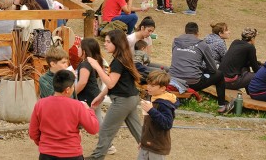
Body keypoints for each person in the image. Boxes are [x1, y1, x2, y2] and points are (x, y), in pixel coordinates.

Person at [86, 29, 143, 159]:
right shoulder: (123, 57)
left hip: (123, 101)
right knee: (138, 131)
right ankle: (152, 152)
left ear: (116, 43)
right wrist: (100, 97)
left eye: (108, 42)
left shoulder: (118, 61)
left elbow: (111, 83)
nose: (105, 44)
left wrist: (97, 67)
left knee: (106, 129)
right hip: (132, 98)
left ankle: (97, 157)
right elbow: (114, 82)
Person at [30, 70, 99, 160]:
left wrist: (44, 144)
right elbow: (93, 129)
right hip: (72, 154)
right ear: (67, 90)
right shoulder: (77, 105)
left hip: (46, 154)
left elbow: (33, 133)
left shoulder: (40, 104)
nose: (73, 89)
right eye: (73, 86)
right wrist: (89, 110)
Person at [169, 22, 233, 114]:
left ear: (185, 31)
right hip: (193, 82)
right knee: (219, 75)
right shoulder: (201, 44)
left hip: (173, 79)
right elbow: (213, 69)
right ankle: (222, 105)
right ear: (197, 33)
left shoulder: (175, 41)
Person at [139, 71, 179, 160]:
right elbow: (147, 123)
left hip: (157, 147)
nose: (148, 87)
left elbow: (167, 124)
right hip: (146, 144)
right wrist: (143, 140)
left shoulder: (164, 104)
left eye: (152, 86)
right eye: (148, 84)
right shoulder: (152, 97)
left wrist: (151, 110)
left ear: (163, 88)